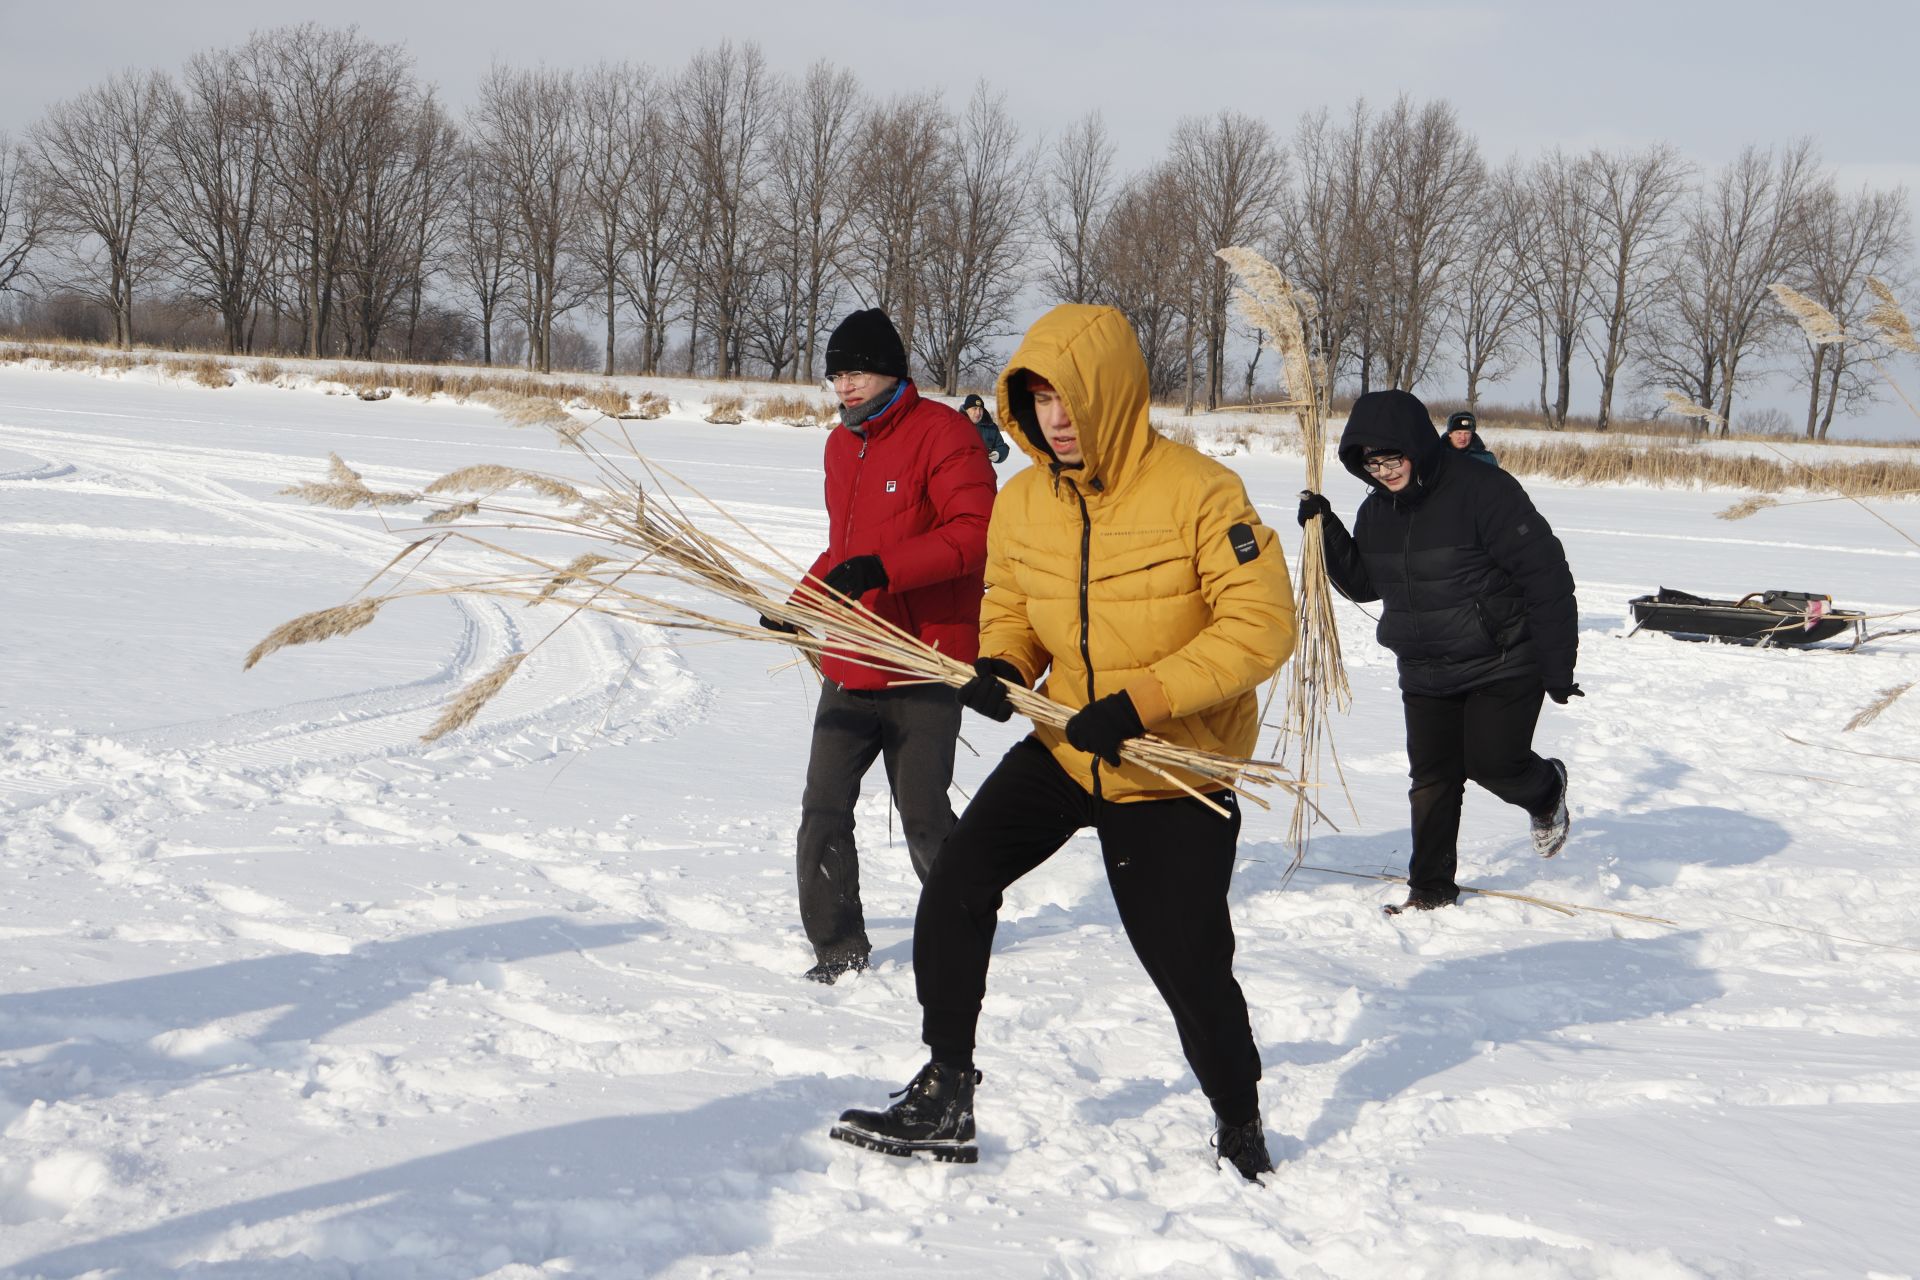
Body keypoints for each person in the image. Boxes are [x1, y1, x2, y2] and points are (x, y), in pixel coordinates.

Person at [828, 304, 1298, 1182]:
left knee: (1187, 964)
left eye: (1071, 397)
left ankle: (1238, 1119)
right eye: (1038, 398)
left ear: (1113, 395)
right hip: (1066, 742)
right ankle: (946, 1088)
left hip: (1170, 764)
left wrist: (1141, 701)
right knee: (958, 880)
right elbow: (1010, 603)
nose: (1056, 416)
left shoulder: (1200, 491)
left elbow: (1263, 626)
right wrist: (1003, 664)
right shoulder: (1024, 500)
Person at [765, 308, 998, 984]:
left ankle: (963, 926)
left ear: (892, 370)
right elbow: (845, 552)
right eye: (836, 374)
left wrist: (882, 570)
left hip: (921, 660)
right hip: (850, 661)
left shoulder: (946, 435)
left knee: (924, 815)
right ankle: (837, 946)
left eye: (857, 371)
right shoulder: (842, 447)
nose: (845, 386)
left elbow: (974, 535)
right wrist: (800, 607)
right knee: (822, 811)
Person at [1297, 389, 1577, 916]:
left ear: (1417, 446)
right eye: (1370, 463)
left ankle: (1545, 791)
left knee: (1492, 762)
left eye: (1392, 457)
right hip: (1424, 667)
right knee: (1432, 779)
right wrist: (1326, 529)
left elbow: (1546, 573)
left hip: (1502, 657)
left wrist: (1558, 663)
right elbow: (1362, 585)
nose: (1383, 471)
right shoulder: (1376, 511)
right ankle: (1430, 889)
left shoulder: (1483, 490)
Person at [959, 392, 1011, 463]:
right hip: (962, 471)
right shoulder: (956, 425)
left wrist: (998, 454)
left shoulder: (991, 427)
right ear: (966, 410)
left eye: (980, 409)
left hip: (984, 471)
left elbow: (1002, 446)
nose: (978, 412)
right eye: (975, 408)